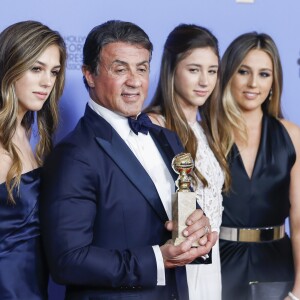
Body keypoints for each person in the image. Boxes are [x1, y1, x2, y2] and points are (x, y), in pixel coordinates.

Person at [39, 20, 216, 300]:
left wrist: (197, 228)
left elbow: (177, 219)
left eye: (142, 68)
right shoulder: (74, 154)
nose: (134, 81)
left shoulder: (167, 138)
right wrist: (158, 259)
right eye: (120, 69)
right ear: (89, 75)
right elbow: (68, 261)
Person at [144, 24, 229, 300]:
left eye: (212, 71)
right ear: (171, 69)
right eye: (194, 70)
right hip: (174, 267)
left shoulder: (207, 130)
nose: (205, 81)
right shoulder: (153, 126)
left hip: (209, 266)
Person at [217, 32, 300, 300]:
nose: (253, 83)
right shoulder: (205, 134)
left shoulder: (292, 135)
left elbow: (299, 222)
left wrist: (298, 292)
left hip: (277, 267)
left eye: (264, 74)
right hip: (218, 266)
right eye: (244, 71)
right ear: (228, 73)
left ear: (274, 81)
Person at [0, 20, 66, 299]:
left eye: (54, 72)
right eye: (36, 69)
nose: (47, 82)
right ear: (9, 68)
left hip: (34, 286)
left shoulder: (29, 136)